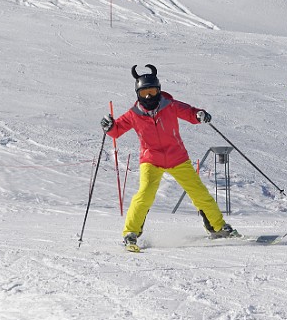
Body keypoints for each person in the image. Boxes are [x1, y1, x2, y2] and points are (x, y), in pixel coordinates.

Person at [100, 64, 238, 250]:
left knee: (199, 193)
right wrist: (108, 127)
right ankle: (130, 233)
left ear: (159, 91)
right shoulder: (134, 114)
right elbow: (116, 130)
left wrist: (199, 115)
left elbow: (189, 112)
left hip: (177, 158)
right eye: (144, 93)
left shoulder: (170, 105)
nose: (148, 96)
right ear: (137, 94)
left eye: (152, 91)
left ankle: (218, 227)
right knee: (145, 194)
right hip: (151, 159)